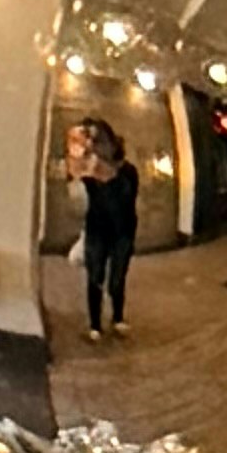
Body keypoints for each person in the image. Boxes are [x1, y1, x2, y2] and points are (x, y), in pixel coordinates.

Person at [69, 114, 140, 343]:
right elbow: (72, 188)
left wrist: (105, 172)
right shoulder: (88, 171)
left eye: (98, 139)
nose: (94, 145)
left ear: (110, 141)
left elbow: (126, 200)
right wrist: (78, 159)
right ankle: (95, 325)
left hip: (123, 233)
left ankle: (117, 318)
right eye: (90, 140)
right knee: (95, 277)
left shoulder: (128, 171)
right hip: (96, 230)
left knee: (117, 279)